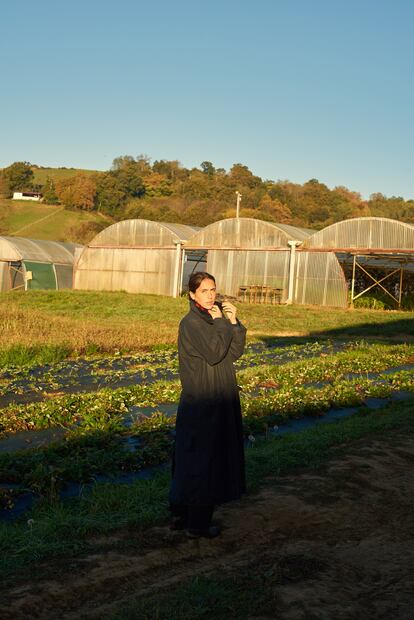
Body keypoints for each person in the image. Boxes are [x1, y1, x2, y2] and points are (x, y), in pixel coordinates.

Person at [169, 271, 247, 539]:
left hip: (218, 394)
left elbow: (233, 353)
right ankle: (197, 524)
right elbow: (214, 353)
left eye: (213, 289)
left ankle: (186, 516)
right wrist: (221, 324)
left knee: (202, 456)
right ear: (192, 294)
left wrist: (233, 322)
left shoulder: (211, 318)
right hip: (203, 399)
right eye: (204, 291)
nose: (211, 295)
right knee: (202, 459)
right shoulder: (192, 322)